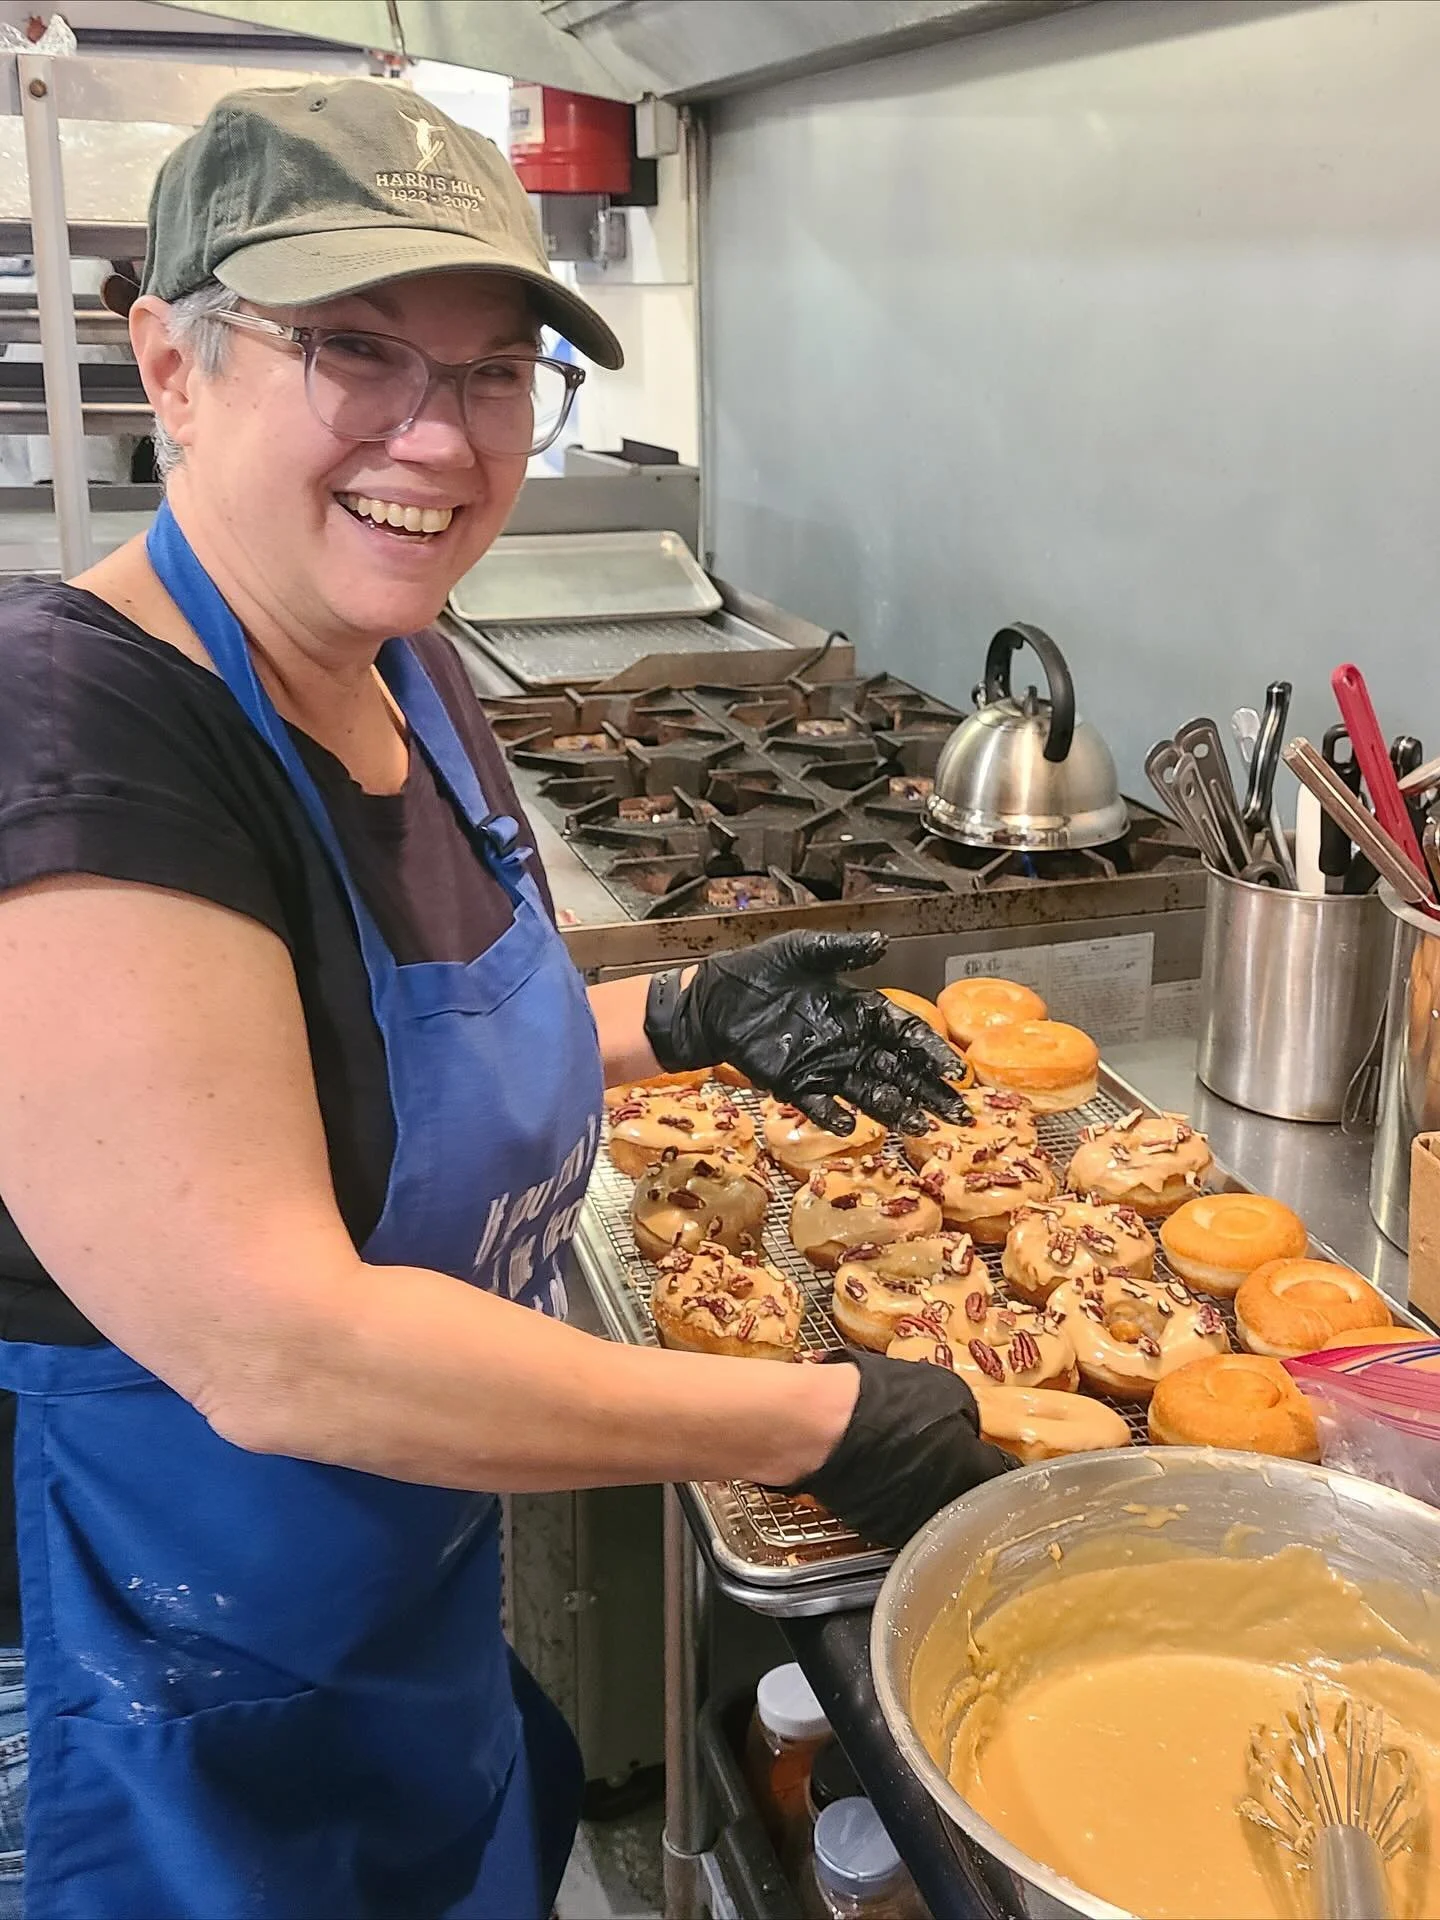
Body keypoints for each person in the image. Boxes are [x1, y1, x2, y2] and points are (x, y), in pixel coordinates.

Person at [0, 79, 1012, 1920]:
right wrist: (807, 1420)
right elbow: (274, 1344)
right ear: (170, 359)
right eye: (355, 347)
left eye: (488, 373)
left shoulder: (402, 661)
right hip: (141, 1692)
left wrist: (688, 1015)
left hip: (387, 1605)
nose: (439, 435)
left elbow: (400, 1066)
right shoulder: (81, 742)